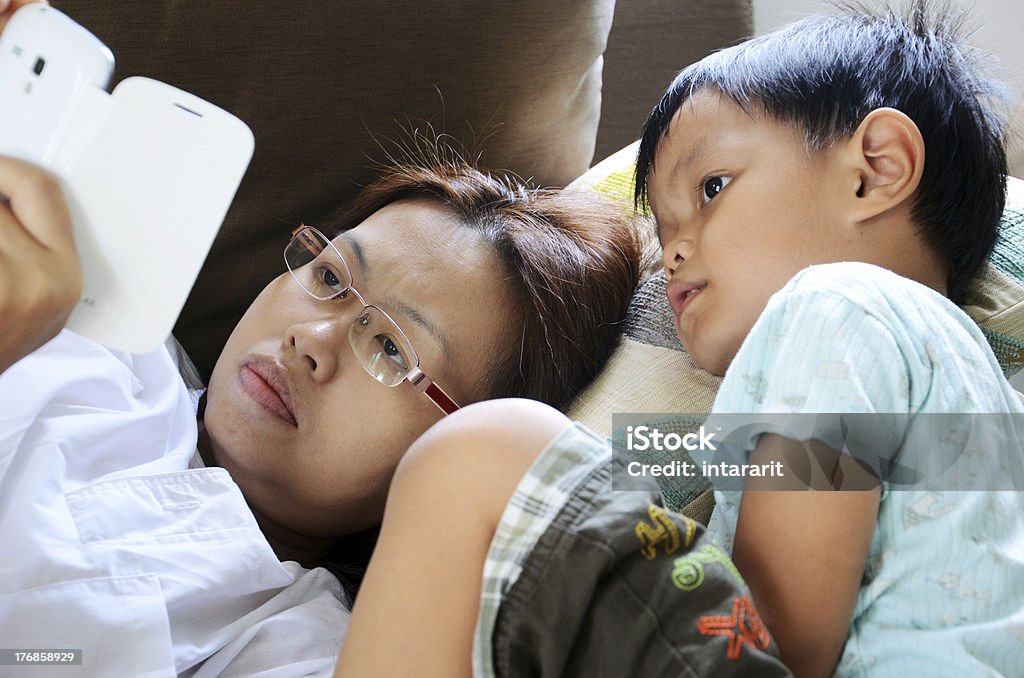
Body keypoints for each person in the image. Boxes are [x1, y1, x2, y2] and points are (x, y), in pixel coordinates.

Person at [330, 3, 1024, 677]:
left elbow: (783, 633)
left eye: (712, 187)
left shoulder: (839, 310)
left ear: (876, 169)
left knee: (479, 452)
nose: (675, 256)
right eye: (662, 237)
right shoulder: (967, 385)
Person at [0, 124, 643, 678]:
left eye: (392, 350)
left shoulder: (304, 649)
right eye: (331, 277)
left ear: (456, 448)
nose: (311, 338)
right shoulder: (87, 328)